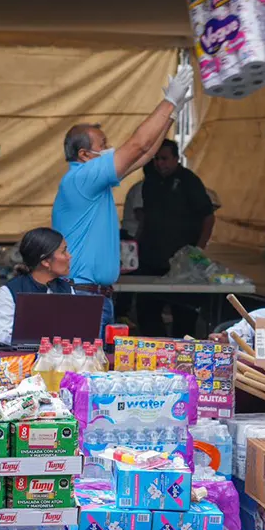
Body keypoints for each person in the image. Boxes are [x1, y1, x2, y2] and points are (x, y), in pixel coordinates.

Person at [52, 64, 194, 331]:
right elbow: (137, 145)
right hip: (80, 295)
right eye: (103, 145)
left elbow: (145, 154)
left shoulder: (93, 179)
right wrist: (168, 101)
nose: (109, 149)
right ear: (84, 155)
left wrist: (172, 114)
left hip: (95, 296)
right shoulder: (82, 177)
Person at [135, 140, 215, 337]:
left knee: (184, 315)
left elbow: (208, 216)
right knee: (146, 310)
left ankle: (182, 351)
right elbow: (145, 217)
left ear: (176, 159)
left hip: (182, 261)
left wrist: (198, 250)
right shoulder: (150, 181)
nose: (160, 163)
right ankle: (157, 350)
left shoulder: (189, 181)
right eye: (156, 159)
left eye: (164, 159)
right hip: (151, 258)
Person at [0, 227, 75, 344]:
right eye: (64, 251)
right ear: (45, 261)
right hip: (22, 355)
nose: (69, 256)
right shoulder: (10, 291)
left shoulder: (67, 289)